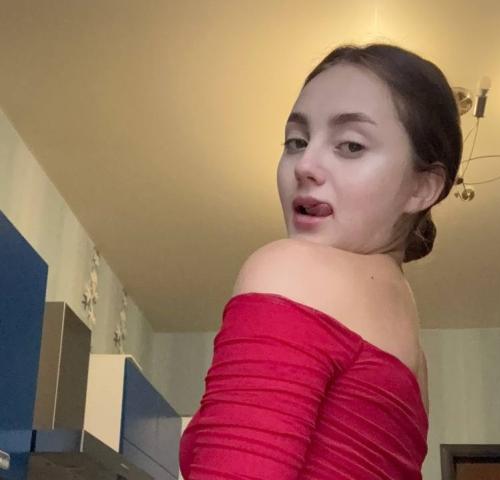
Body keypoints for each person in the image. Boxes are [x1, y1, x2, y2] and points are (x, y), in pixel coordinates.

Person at [179, 42, 462, 479]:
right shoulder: (414, 356)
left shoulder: (290, 270)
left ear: (422, 188)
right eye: (296, 141)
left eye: (350, 145)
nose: (305, 164)